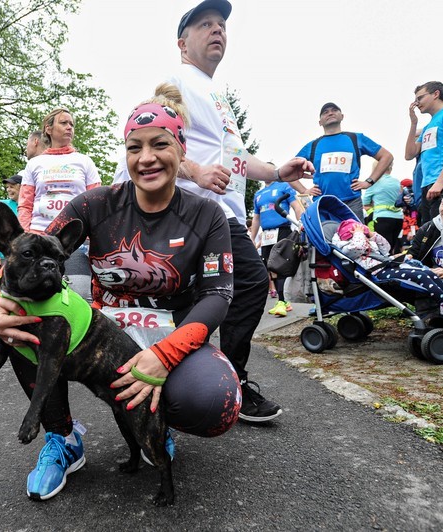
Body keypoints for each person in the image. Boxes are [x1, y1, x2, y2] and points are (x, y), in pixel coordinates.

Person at [0, 87, 241, 501]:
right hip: (101, 334)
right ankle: (63, 438)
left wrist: (166, 354)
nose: (146, 158)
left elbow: (218, 295)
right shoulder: (96, 203)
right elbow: (29, 254)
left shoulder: (206, 212)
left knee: (213, 401)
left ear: (181, 148)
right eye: (134, 147)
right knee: (21, 331)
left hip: (169, 335)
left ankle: (161, 421)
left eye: (160, 144)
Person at [115, 0, 313, 422]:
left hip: (222, 211)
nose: (217, 30)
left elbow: (238, 158)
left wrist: (278, 171)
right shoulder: (177, 80)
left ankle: (189, 379)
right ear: (183, 42)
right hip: (194, 208)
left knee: (202, 298)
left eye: (222, 25)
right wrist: (195, 170)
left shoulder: (216, 95)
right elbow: (153, 138)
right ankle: (214, 379)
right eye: (205, 24)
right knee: (246, 284)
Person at [18, 107, 101, 300]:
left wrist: (93, 237)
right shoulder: (34, 164)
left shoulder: (84, 161)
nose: (69, 127)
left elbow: (96, 203)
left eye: (71, 124)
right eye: (64, 123)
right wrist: (24, 236)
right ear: (48, 128)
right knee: (37, 296)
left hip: (74, 242)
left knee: (79, 296)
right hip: (40, 238)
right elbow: (25, 204)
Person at [332, 219, 443, 316]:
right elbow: (359, 245)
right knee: (420, 276)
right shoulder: (349, 248)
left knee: (426, 272)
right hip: (379, 274)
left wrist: (372, 235)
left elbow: (386, 247)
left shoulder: (366, 243)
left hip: (388, 267)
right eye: (361, 235)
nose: (365, 238)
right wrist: (358, 234)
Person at [293, 102, 393, 222]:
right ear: (320, 122)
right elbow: (289, 172)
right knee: (323, 240)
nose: (330, 113)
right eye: (325, 112)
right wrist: (304, 191)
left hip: (351, 202)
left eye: (334, 110)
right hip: (322, 204)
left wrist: (369, 182)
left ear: (342, 116)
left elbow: (387, 156)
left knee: (356, 238)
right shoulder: (312, 146)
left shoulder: (356, 138)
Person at [405, 81, 443, 226]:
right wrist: (413, 124)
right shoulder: (428, 126)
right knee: (430, 233)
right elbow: (410, 154)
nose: (416, 103)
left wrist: (440, 181)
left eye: (420, 98)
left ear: (436, 94)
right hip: (427, 184)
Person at [249, 177, 303, 317]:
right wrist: (252, 238)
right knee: (271, 267)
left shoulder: (283, 186)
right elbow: (256, 217)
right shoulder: (258, 194)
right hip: (266, 235)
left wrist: (301, 223)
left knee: (280, 266)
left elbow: (296, 206)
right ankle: (282, 301)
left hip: (282, 231)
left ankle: (283, 301)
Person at [362, 162, 404, 253]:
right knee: (392, 246)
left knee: (383, 249)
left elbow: (365, 202)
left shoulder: (374, 182)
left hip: (382, 217)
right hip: (398, 217)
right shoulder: (396, 181)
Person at [0, 174, 21, 271]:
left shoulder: (32, 206)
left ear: (22, 187)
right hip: (4, 256)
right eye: (7, 187)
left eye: (12, 187)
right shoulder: (0, 204)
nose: (8, 190)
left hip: (24, 255)